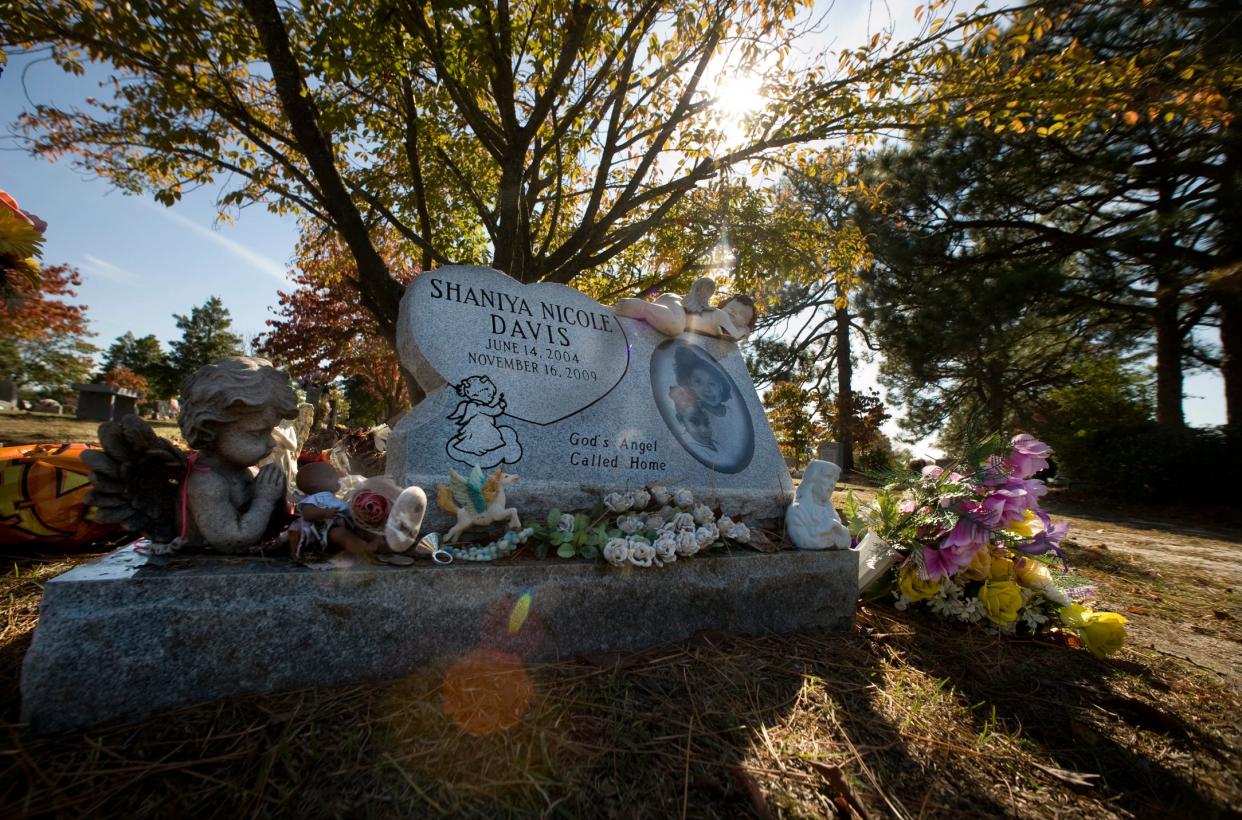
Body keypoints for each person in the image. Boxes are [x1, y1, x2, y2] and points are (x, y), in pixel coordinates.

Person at [669, 345, 731, 451]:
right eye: (698, 382)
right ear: (690, 386)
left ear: (721, 386)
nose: (706, 389)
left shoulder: (730, 414)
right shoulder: (694, 413)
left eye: (712, 383)